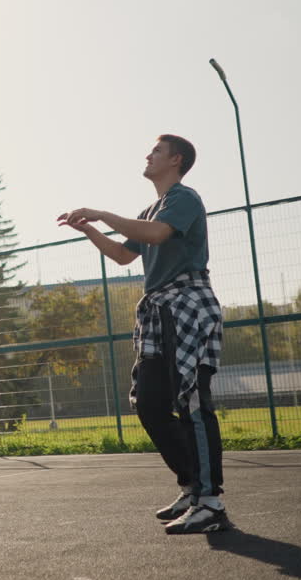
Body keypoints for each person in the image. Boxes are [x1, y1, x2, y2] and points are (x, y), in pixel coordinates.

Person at [57, 134, 227, 535]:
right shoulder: (151, 209)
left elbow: (155, 236)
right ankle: (190, 486)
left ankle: (211, 501)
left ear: (175, 160)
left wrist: (99, 212)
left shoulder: (184, 198)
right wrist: (88, 230)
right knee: (150, 403)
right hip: (158, 311)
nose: (148, 156)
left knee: (193, 402)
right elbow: (122, 255)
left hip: (188, 304)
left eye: (156, 151)